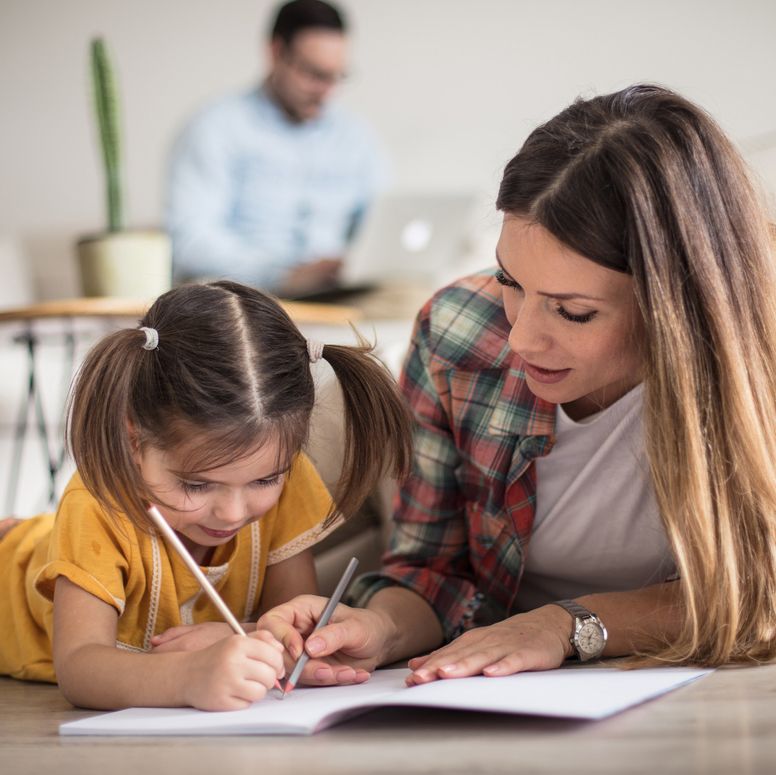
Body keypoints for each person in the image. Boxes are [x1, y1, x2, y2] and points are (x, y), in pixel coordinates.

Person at [258, 84, 776, 685]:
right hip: (512, 687)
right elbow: (432, 570)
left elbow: (758, 592)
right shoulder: (457, 332)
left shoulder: (757, 360)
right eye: (510, 280)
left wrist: (567, 625)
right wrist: (380, 628)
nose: (522, 338)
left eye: (573, 312)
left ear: (675, 304)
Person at [0, 280, 411, 710]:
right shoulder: (97, 503)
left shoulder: (289, 480)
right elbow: (80, 668)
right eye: (196, 485)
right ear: (133, 439)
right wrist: (190, 675)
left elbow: (286, 625)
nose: (233, 512)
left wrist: (264, 642)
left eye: (264, 481)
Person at [166, 0, 387, 297]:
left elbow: (380, 221)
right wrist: (282, 275)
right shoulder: (215, 127)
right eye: (314, 74)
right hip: (247, 302)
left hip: (338, 298)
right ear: (275, 52)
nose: (327, 91)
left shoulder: (356, 136)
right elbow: (188, 242)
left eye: (336, 76)